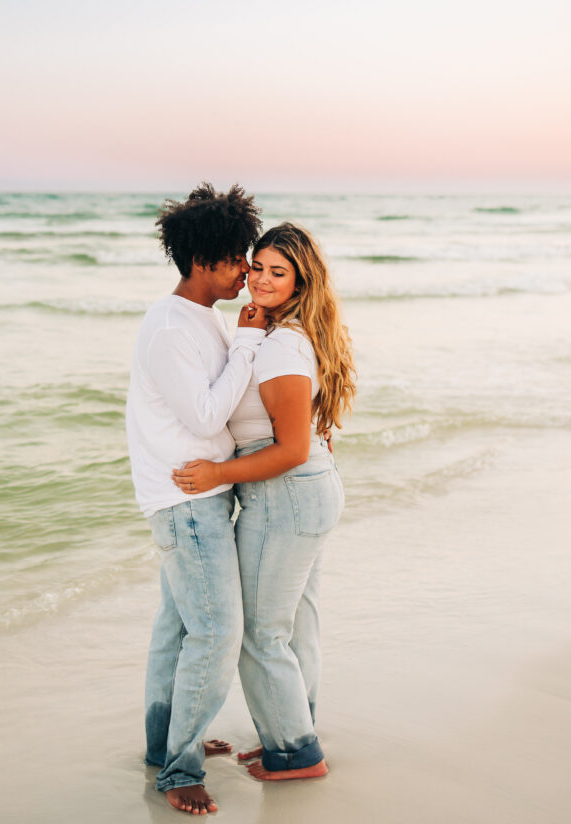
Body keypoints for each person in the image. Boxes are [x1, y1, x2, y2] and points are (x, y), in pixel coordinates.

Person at [173, 222, 356, 781]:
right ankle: (292, 729)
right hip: (304, 496)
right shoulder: (286, 334)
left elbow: (293, 448)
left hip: (286, 497)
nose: (261, 280)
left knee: (261, 632)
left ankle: (295, 751)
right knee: (295, 627)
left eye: (279, 272)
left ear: (301, 280)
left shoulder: (282, 345)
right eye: (257, 267)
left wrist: (216, 473)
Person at [126, 183, 267, 815]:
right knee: (216, 630)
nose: (247, 269)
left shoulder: (197, 320)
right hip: (185, 500)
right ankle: (178, 770)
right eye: (239, 257)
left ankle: (164, 745)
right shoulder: (171, 329)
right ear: (204, 258)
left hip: (187, 492)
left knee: (178, 628)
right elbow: (208, 415)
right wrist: (248, 344)